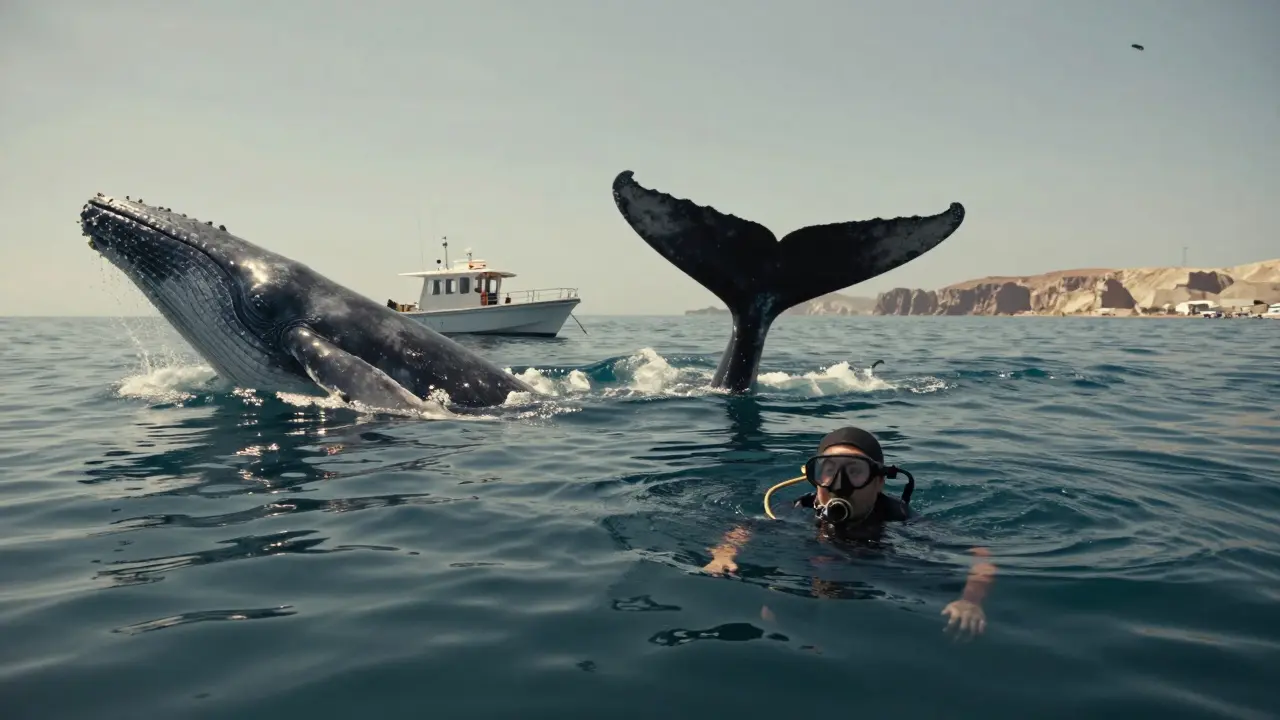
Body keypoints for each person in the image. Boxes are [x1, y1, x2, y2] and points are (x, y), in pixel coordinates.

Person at [702, 425, 996, 638]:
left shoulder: (899, 518)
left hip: (876, 574)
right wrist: (723, 554)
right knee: (772, 611)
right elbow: (744, 528)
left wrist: (970, 601)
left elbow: (980, 555)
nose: (839, 482)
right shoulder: (797, 510)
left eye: (855, 470)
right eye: (829, 469)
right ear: (815, 478)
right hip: (817, 565)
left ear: (879, 481)